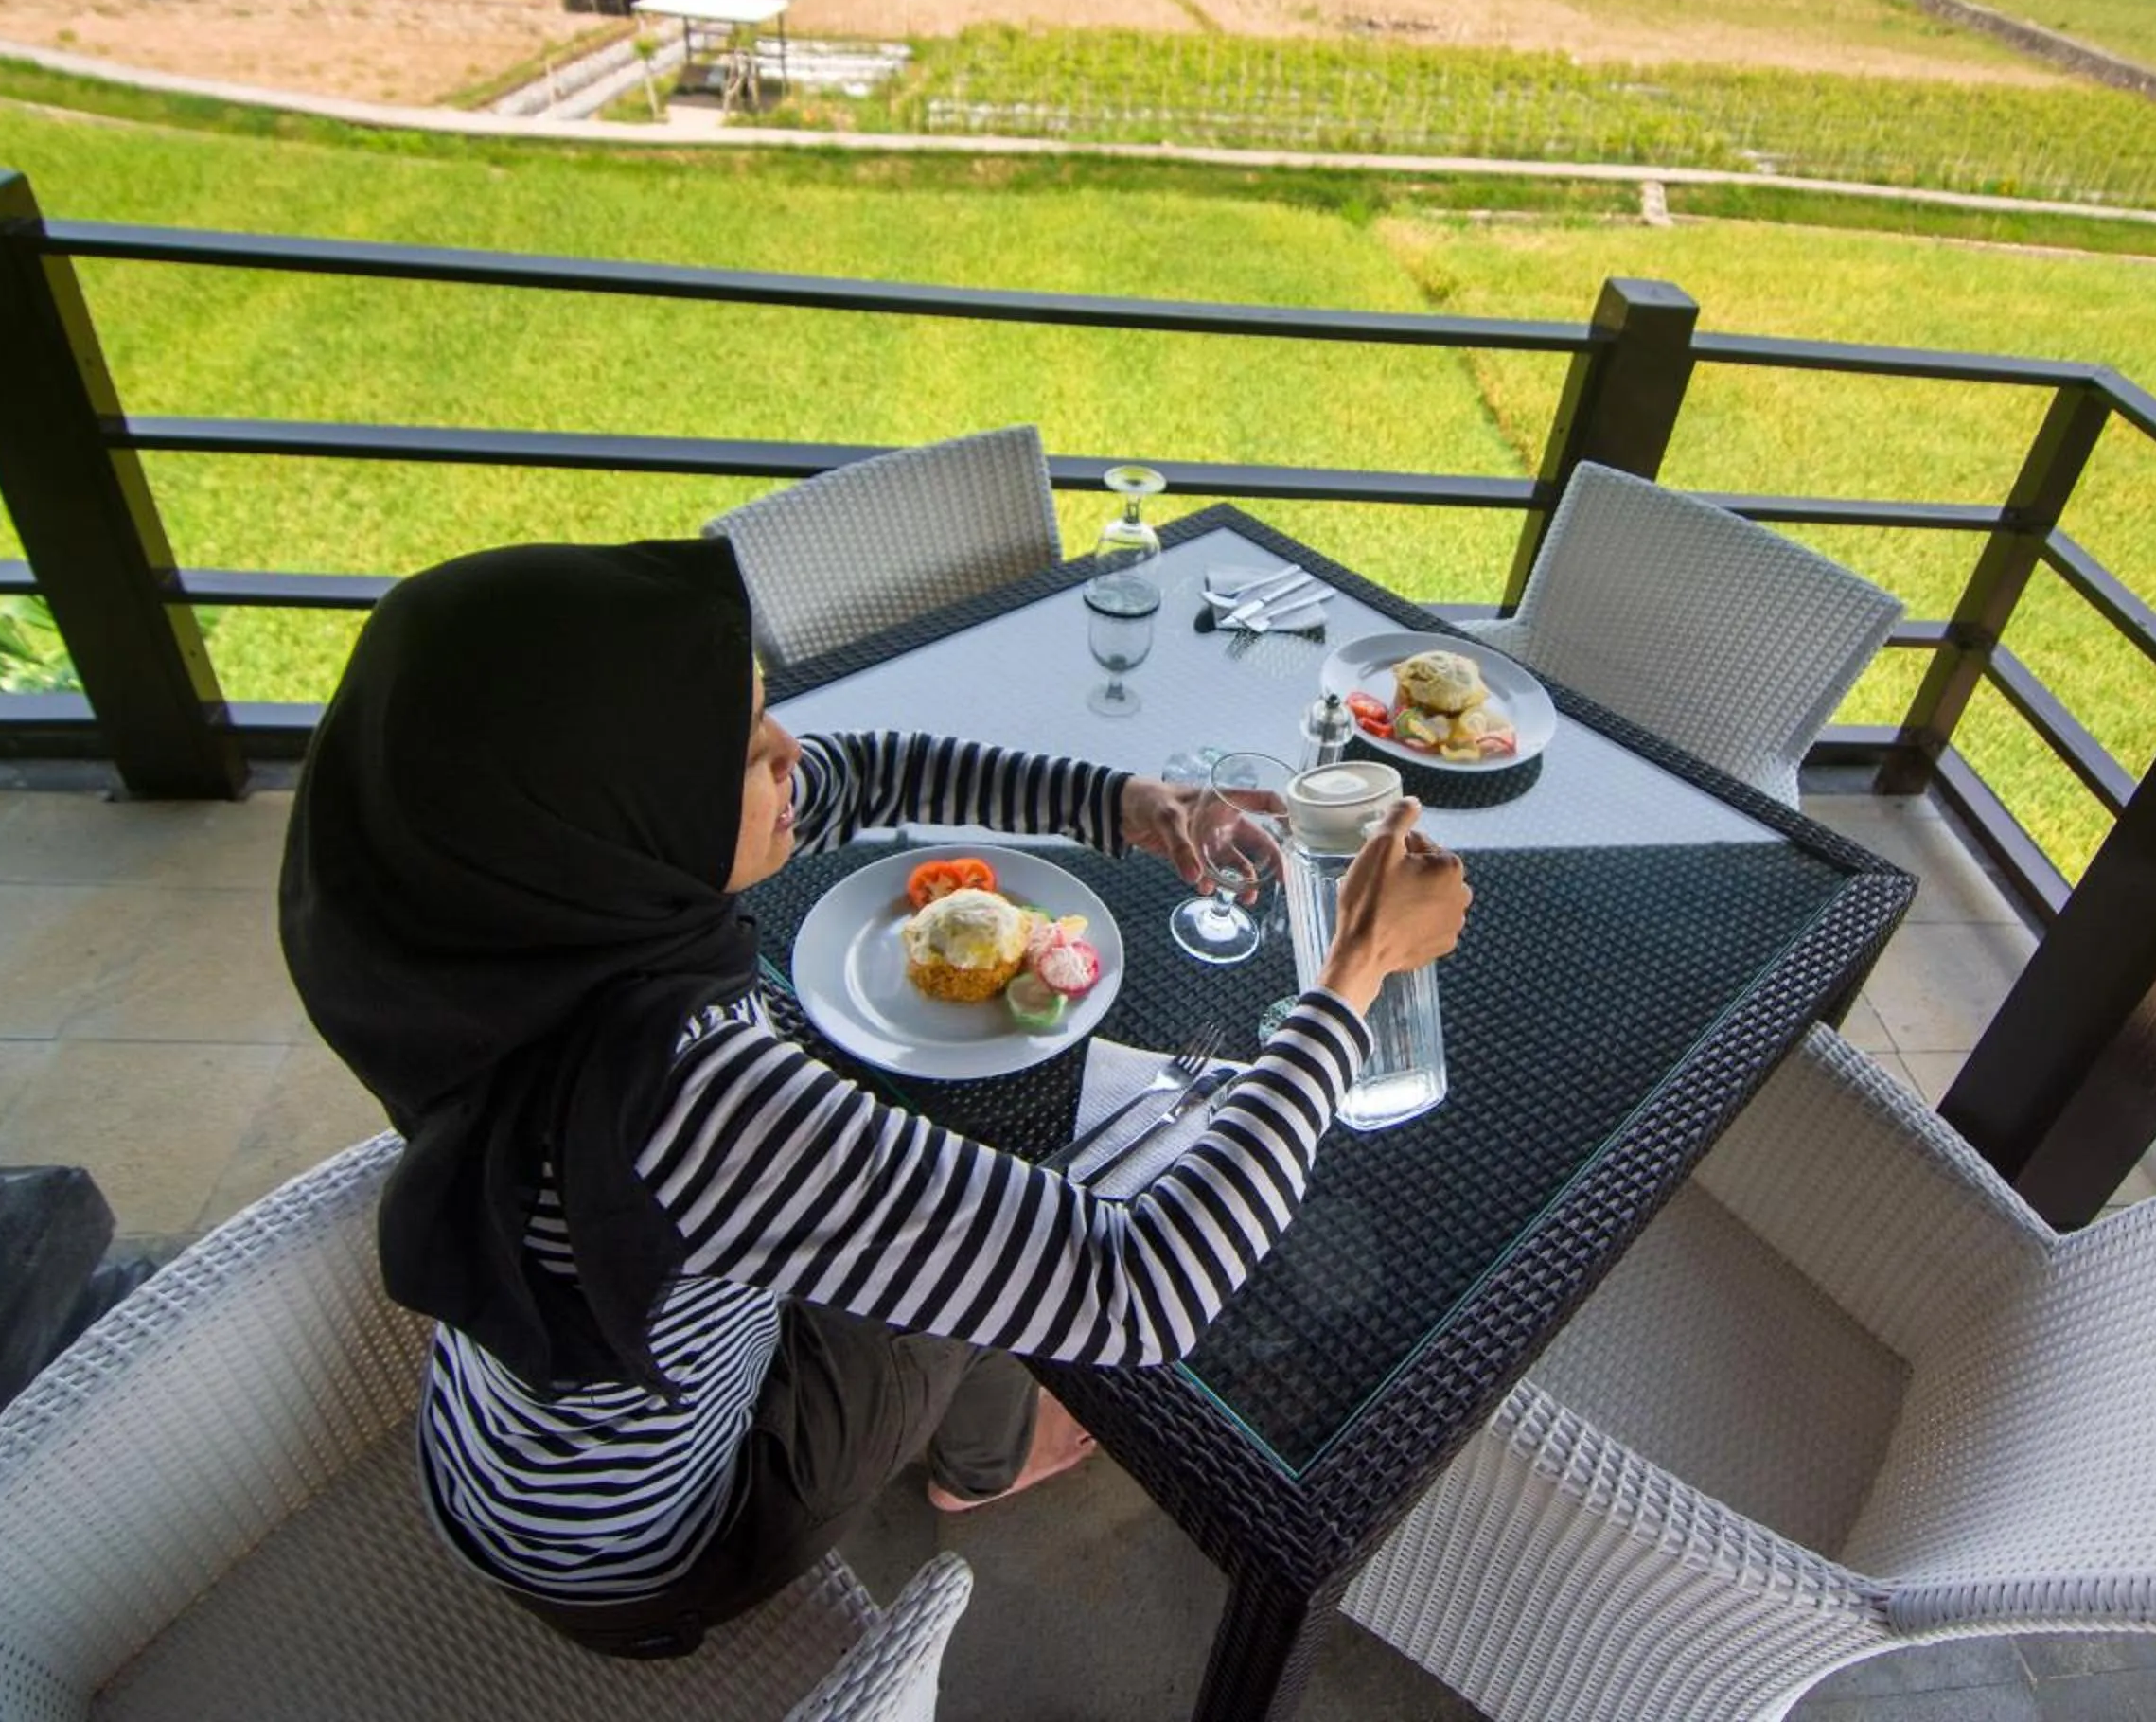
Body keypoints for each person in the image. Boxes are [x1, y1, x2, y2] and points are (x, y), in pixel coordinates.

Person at [279, 535, 1469, 1660]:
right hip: (660, 1547)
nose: (791, 751)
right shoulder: (688, 1099)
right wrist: (1352, 973)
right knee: (1024, 1214)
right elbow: (1141, 1286)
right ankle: (991, 1454)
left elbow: (863, 773)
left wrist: (1122, 803)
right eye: (747, 746)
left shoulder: (485, 934)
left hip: (500, 1460)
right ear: (634, 818)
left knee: (925, 1184)